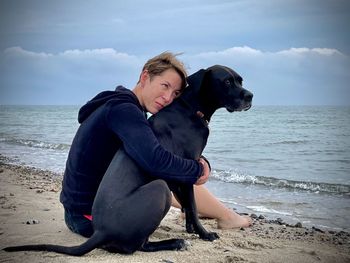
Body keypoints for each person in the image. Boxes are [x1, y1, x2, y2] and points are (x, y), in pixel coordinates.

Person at [60, 52, 250, 238]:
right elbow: (156, 160)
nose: (168, 98)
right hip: (88, 216)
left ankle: (205, 213)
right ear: (145, 77)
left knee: (170, 170)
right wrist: (197, 169)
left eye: (175, 93)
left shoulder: (121, 106)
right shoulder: (123, 110)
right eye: (164, 86)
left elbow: (163, 153)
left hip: (86, 208)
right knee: (169, 171)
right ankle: (225, 216)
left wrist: (200, 161)